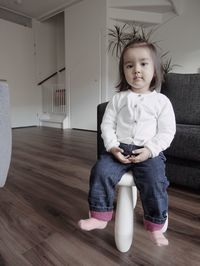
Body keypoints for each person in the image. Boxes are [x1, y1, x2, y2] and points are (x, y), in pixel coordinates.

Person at [78, 39, 176, 247]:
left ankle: (155, 225)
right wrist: (113, 147)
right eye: (129, 65)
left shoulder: (161, 102)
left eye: (143, 64)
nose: (136, 70)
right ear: (124, 71)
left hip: (148, 152)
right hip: (119, 148)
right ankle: (100, 215)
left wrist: (149, 151)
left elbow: (167, 132)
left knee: (154, 180)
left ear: (155, 70)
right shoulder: (118, 99)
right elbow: (107, 126)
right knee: (100, 171)